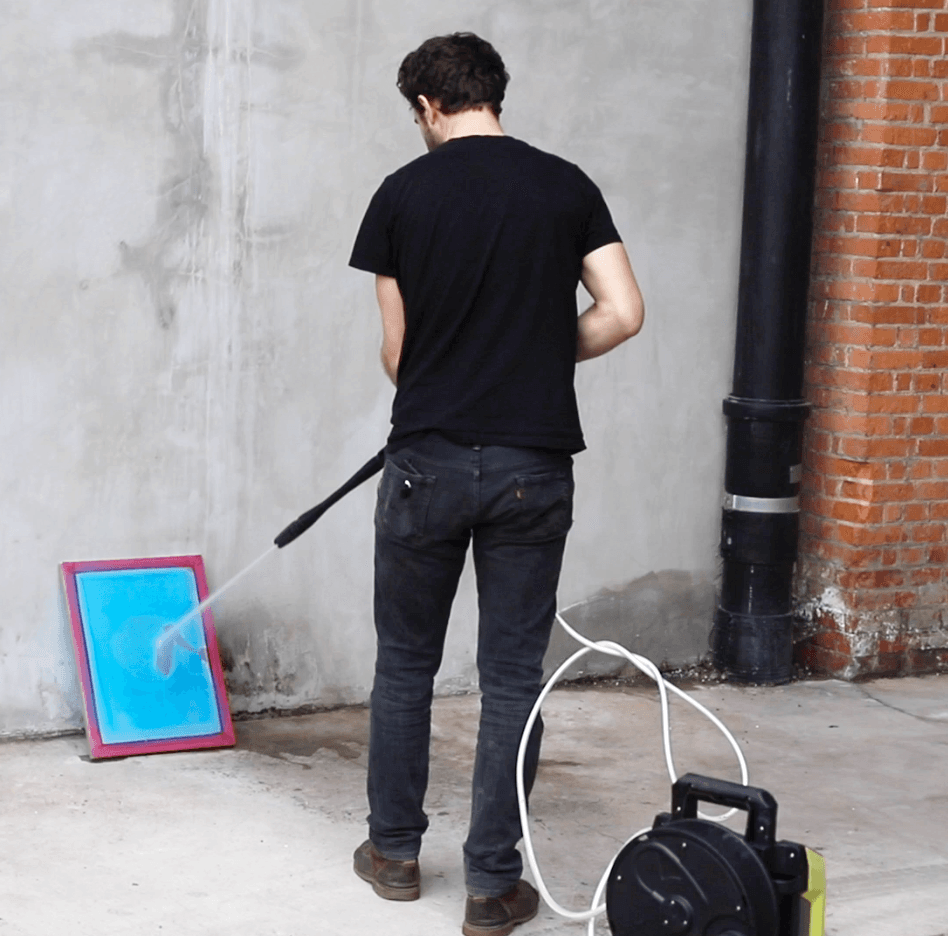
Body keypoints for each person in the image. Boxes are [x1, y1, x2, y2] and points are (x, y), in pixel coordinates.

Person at [345, 33, 645, 936]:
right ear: (492, 95)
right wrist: (536, 357)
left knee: (405, 664)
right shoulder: (566, 186)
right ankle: (490, 885)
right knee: (511, 676)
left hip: (425, 464)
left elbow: (398, 355)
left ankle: (393, 855)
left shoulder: (400, 194)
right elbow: (622, 311)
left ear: (428, 106)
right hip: (530, 466)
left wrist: (456, 370)